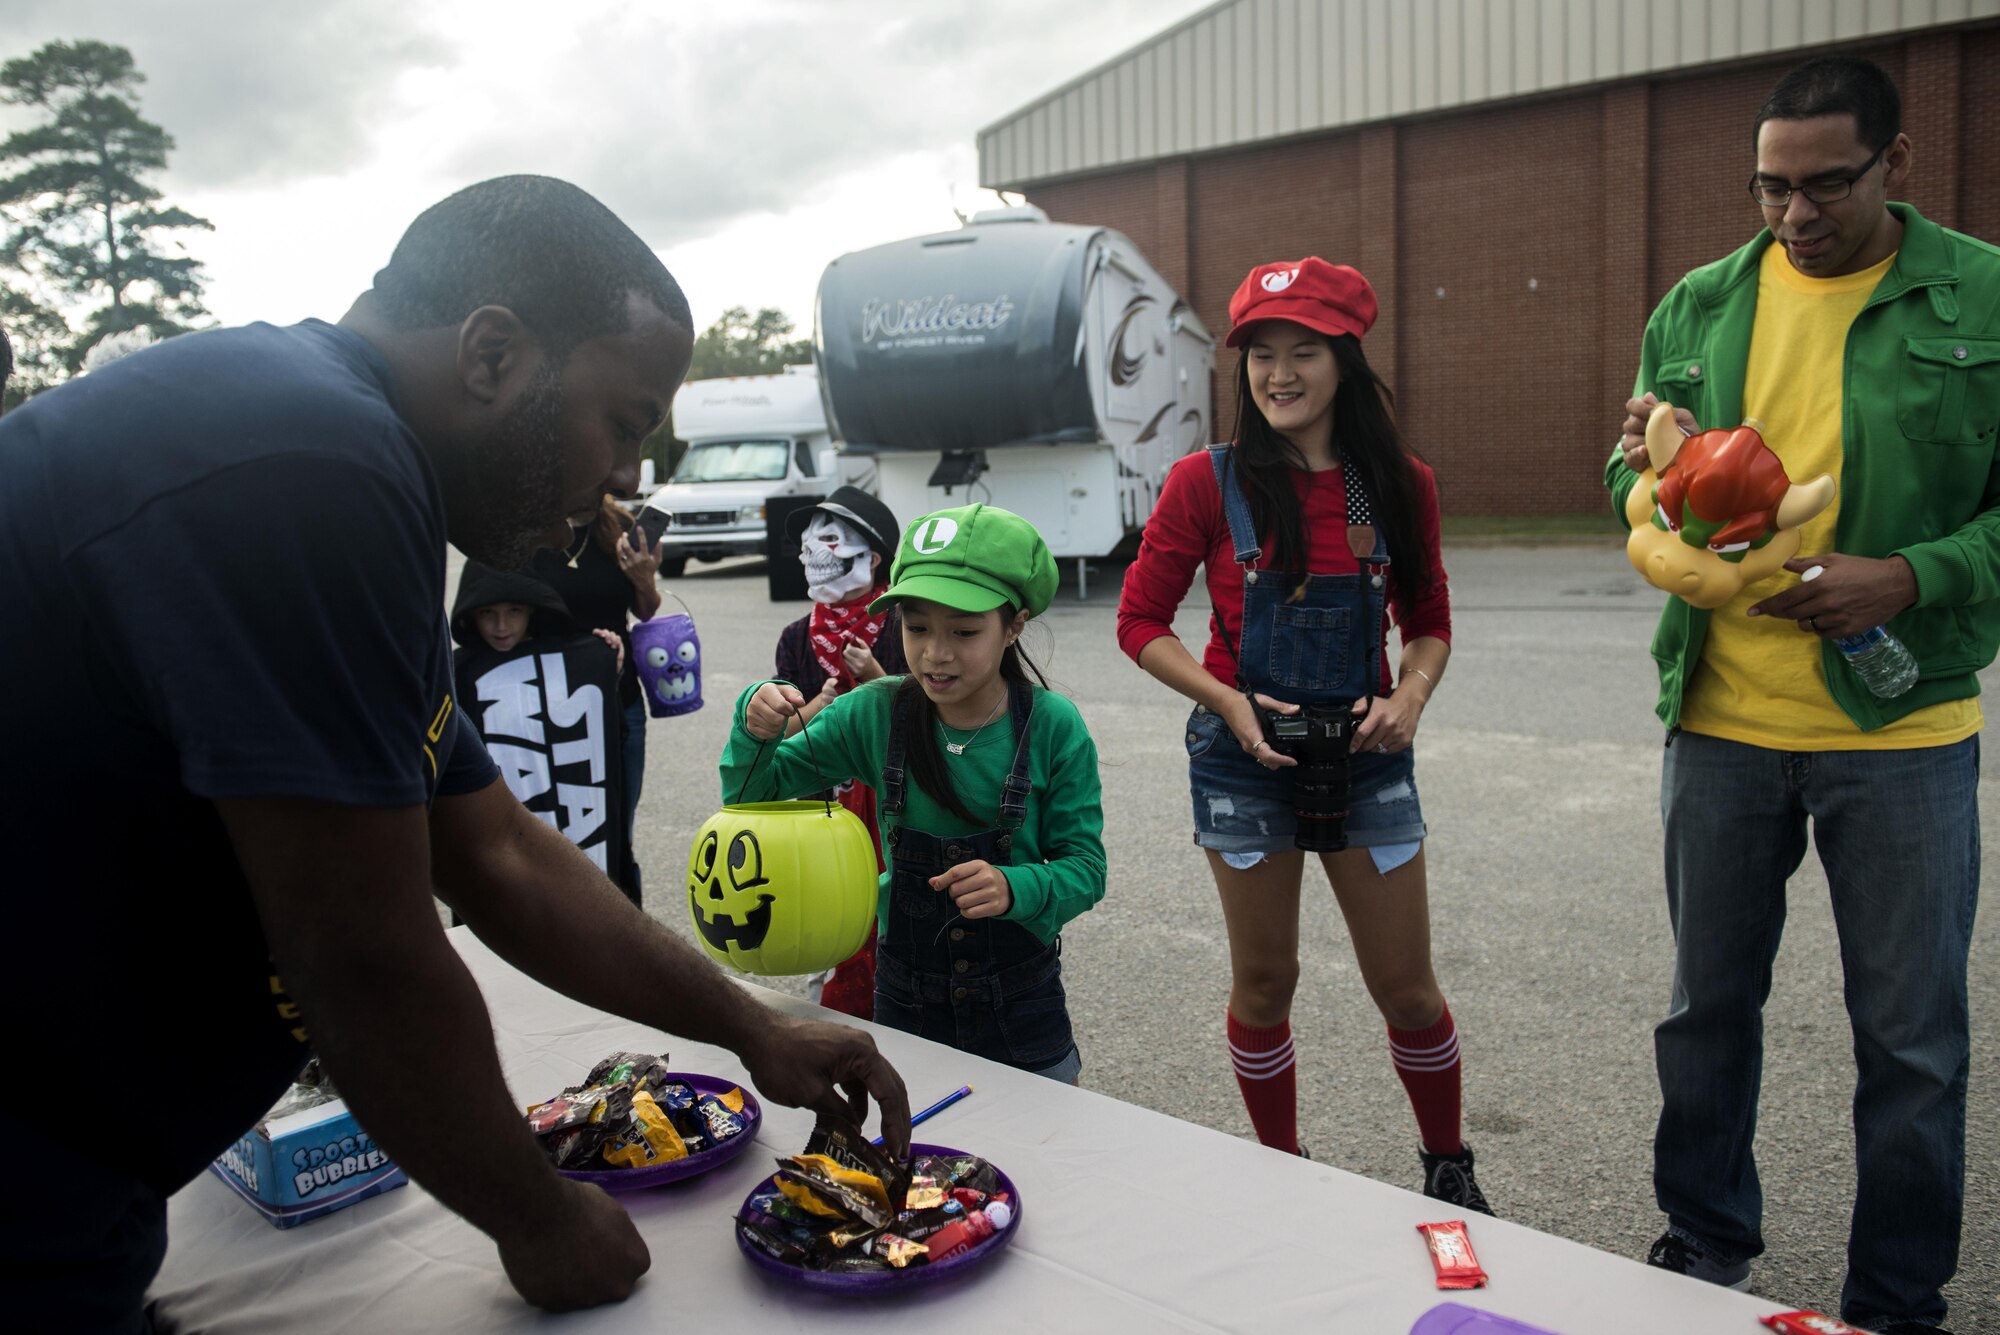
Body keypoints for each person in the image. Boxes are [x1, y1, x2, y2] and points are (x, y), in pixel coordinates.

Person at [0, 175, 910, 1332]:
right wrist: (536, 1217)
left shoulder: (332, 447)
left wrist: (753, 1030)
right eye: (623, 422)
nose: (628, 477)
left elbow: (493, 852)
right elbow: (362, 951)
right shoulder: (310, 464)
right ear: (492, 355)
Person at [1604, 56, 1997, 1335]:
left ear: (1894, 161)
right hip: (1718, 725)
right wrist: (1646, 490)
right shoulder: (1699, 303)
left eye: (1824, 184)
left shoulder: (1982, 298)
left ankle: (1894, 1302)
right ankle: (1705, 1245)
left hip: (1903, 732)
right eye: (1770, 187)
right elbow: (1653, 484)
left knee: (1909, 1044)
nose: (1793, 215)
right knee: (1703, 1014)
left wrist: (1909, 574)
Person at [1118, 257, 1487, 1212]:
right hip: (1245, 762)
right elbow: (1140, 623)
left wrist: (1410, 694)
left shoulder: (1398, 484)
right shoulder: (1208, 481)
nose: (1279, 374)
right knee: (1266, 980)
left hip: (1368, 760)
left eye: (1303, 352)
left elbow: (1432, 619)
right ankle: (1279, 1169)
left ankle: (1448, 1161)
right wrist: (1228, 701)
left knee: (1407, 988)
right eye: (1260, 355)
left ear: (1344, 360)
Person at [724, 504, 1105, 1081]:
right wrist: (754, 727)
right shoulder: (875, 712)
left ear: (1016, 625)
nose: (935, 653)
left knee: (1040, 1156)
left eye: (965, 631)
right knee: (912, 1153)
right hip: (904, 996)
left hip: (1022, 1005)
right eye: (917, 626)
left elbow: (1086, 867)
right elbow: (753, 798)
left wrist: (1016, 885)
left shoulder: (1053, 726)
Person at [771, 485, 906, 1018]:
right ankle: (832, 1012)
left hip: (894, 805)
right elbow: (781, 736)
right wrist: (820, 706)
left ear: (872, 558)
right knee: (831, 916)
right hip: (821, 813)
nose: (813, 553)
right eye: (808, 541)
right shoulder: (796, 637)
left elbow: (932, 713)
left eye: (829, 539)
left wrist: (876, 678)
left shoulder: (902, 624)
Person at [532, 493, 663, 899]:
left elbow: (645, 611)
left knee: (614, 834)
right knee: (550, 834)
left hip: (618, 706)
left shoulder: (618, 529)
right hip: (544, 707)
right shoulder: (531, 527)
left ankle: (626, 939)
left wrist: (644, 577)